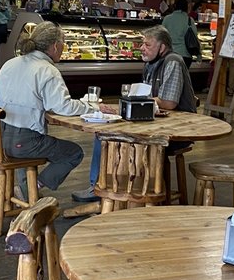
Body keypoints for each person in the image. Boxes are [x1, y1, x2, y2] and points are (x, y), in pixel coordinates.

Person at [77, 24, 197, 203]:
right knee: (103, 131)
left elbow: (169, 103)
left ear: (162, 47)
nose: (142, 48)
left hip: (175, 131)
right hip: (154, 122)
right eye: (142, 44)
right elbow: (151, 98)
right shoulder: (150, 64)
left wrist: (135, 97)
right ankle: (103, 186)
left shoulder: (173, 61)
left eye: (147, 45)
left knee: (115, 137)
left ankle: (122, 191)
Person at [0, 21, 97, 194]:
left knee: (26, 144)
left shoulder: (10, 63)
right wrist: (92, 107)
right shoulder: (47, 70)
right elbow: (63, 106)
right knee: (73, 153)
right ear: (55, 46)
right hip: (24, 144)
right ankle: (32, 187)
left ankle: (26, 191)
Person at [162, 0, 196, 67]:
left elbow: (161, 35)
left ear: (175, 6)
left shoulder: (167, 18)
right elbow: (194, 37)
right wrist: (199, 56)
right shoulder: (189, 20)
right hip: (185, 55)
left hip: (169, 54)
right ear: (186, 7)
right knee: (182, 77)